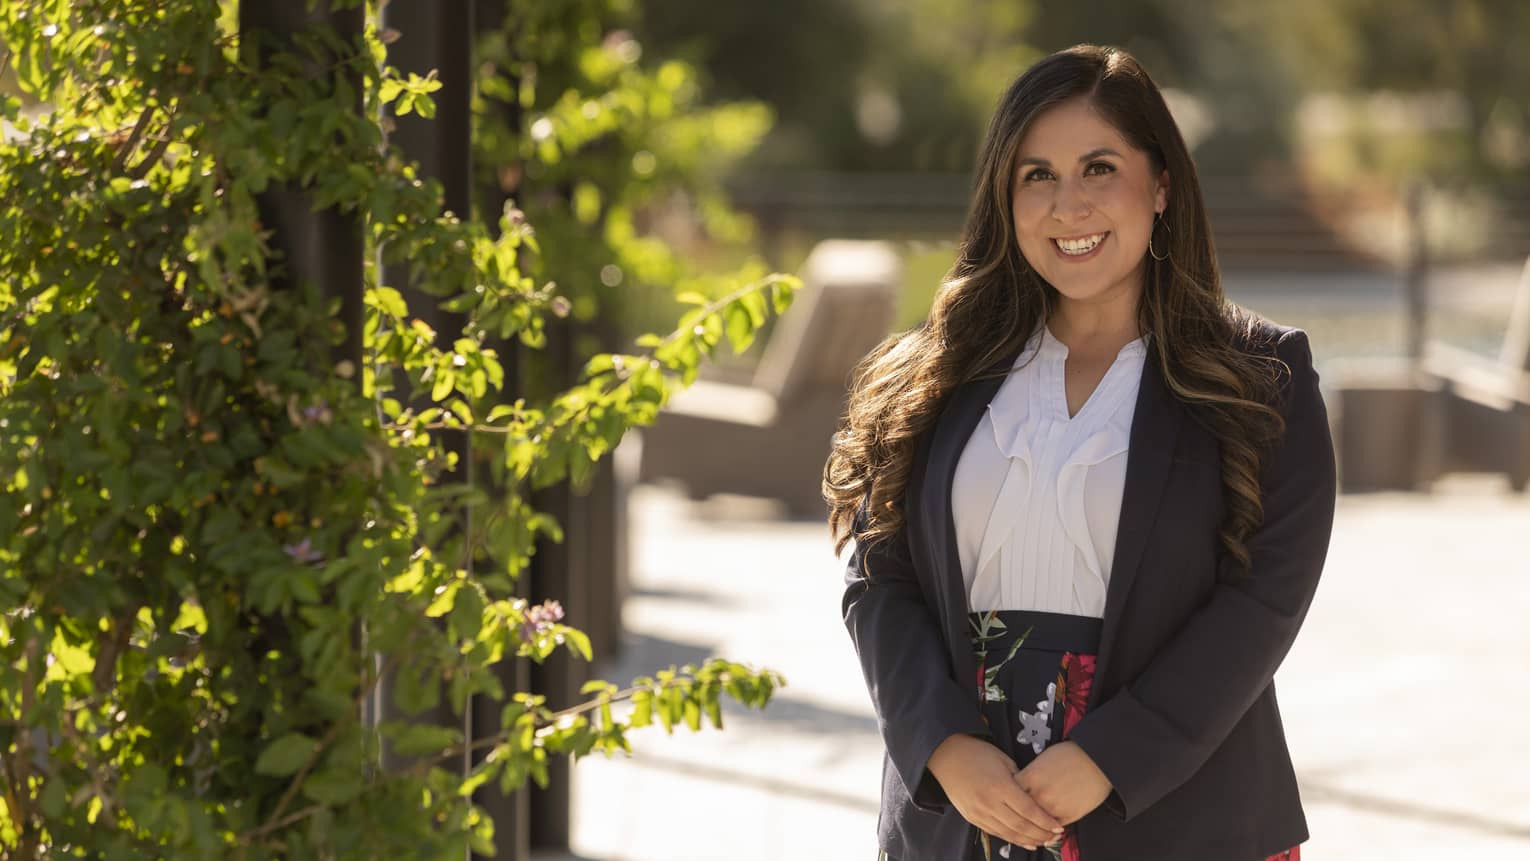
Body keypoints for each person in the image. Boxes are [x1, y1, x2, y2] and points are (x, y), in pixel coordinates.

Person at [824, 44, 1337, 861]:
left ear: (1161, 184)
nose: (1069, 206)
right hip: (961, 816)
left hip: (1181, 815)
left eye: (1099, 168)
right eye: (1037, 175)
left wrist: (1113, 754)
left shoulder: (1263, 378)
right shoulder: (929, 373)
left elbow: (1264, 605)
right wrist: (943, 747)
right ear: (1005, 193)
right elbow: (878, 579)